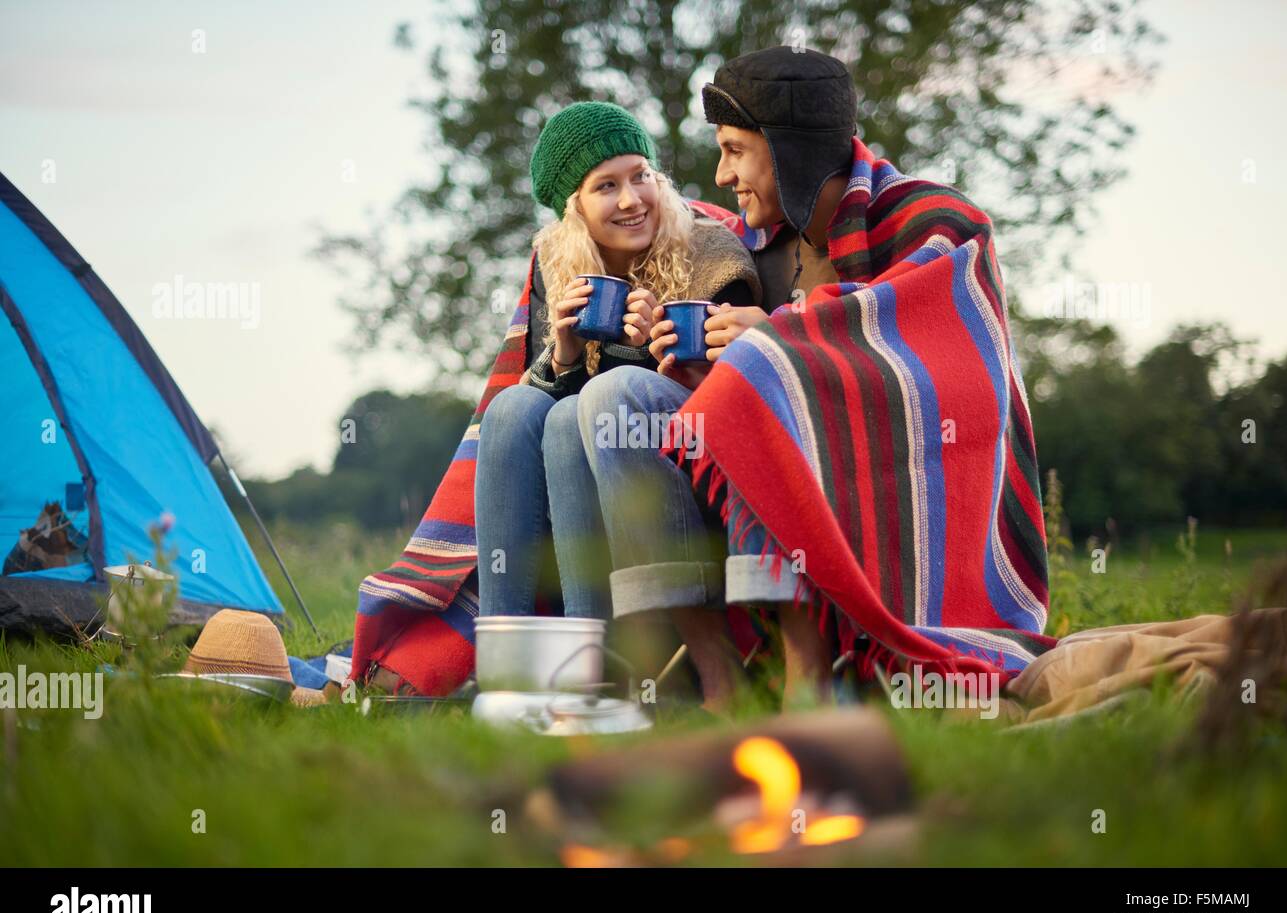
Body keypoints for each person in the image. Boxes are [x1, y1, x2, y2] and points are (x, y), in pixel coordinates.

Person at [578, 47, 1054, 711]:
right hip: (771, 446)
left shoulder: (934, 219)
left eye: (736, 150)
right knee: (616, 398)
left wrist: (776, 338)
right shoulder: (747, 243)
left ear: (790, 150)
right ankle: (715, 673)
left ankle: (809, 665)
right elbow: (733, 374)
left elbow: (960, 379)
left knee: (762, 367)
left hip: (902, 462)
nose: (722, 175)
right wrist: (693, 352)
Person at [349, 102, 758, 696]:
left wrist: (651, 348)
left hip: (684, 468)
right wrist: (564, 350)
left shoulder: (711, 251)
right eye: (606, 187)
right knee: (515, 408)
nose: (631, 199)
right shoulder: (557, 262)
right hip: (587, 465)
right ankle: (509, 665)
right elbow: (545, 398)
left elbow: (729, 391)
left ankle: (590, 661)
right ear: (574, 209)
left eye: (641, 175)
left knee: (571, 416)